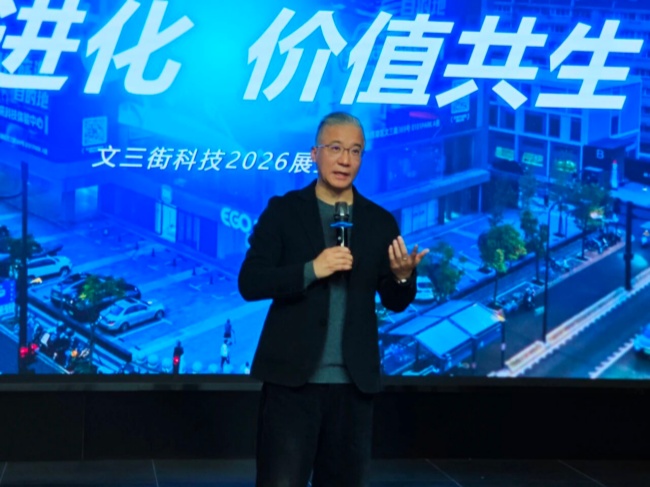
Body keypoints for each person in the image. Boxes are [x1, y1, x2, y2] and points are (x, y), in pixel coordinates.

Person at [238, 112, 428, 487]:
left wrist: (403, 276)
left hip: (353, 387)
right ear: (315, 153)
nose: (345, 160)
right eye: (336, 148)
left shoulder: (379, 221)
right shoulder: (284, 211)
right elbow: (251, 282)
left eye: (355, 151)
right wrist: (312, 269)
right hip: (292, 383)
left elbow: (394, 301)